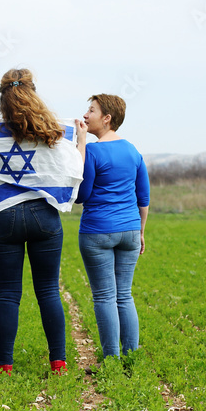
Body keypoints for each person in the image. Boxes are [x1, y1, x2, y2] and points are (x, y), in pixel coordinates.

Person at [0, 68, 87, 375]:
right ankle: (59, 362)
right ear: (34, 92)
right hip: (45, 217)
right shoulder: (53, 132)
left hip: (5, 219)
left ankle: (5, 365)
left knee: (8, 294)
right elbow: (74, 170)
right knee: (49, 290)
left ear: (2, 97)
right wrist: (82, 141)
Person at [75, 94, 150, 359]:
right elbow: (143, 198)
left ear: (107, 119)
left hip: (97, 231)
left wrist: (81, 146)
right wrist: (140, 232)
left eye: (91, 111)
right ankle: (132, 358)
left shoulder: (93, 151)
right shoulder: (133, 150)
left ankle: (111, 360)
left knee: (105, 297)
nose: (85, 115)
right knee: (124, 296)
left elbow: (82, 195)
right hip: (130, 231)